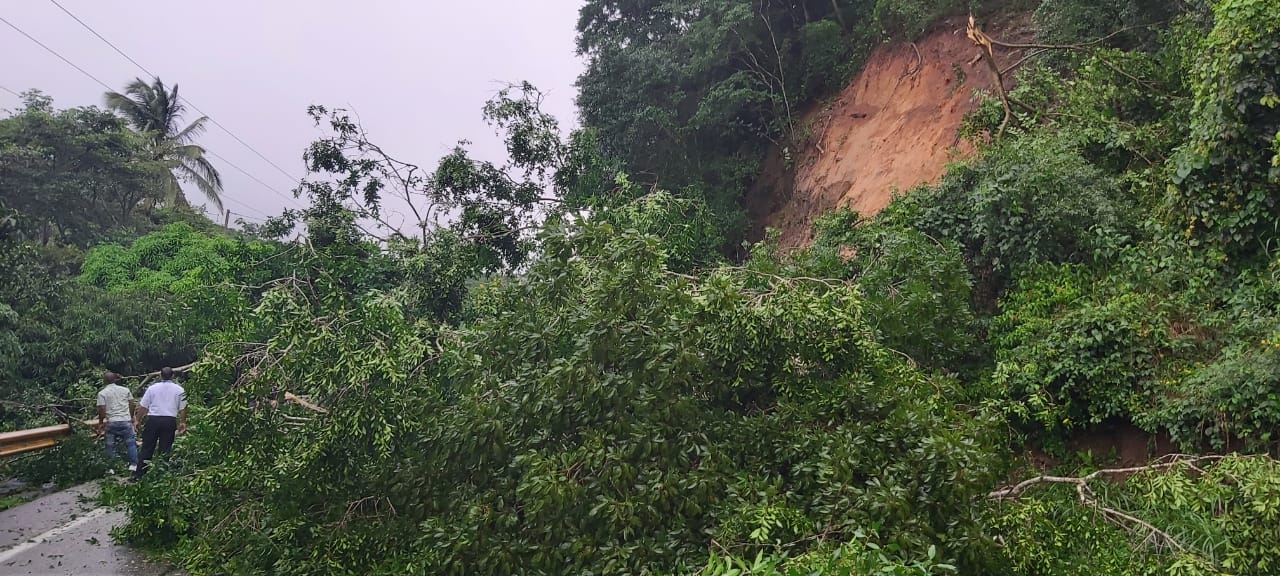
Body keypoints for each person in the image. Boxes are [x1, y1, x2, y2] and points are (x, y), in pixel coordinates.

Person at [132, 367, 187, 479]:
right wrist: (183, 422)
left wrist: (137, 419)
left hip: (153, 419)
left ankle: (139, 475)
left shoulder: (152, 388)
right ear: (173, 376)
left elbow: (143, 406)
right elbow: (183, 408)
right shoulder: (179, 390)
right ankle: (162, 475)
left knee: (147, 447)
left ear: (160, 376)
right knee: (165, 448)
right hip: (169, 420)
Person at [96, 372, 137, 472]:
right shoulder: (125, 390)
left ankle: (111, 468)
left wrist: (101, 422)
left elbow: (102, 409)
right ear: (115, 379)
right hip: (125, 420)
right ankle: (134, 465)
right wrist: (131, 417)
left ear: (105, 381)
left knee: (110, 445)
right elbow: (132, 404)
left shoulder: (102, 393)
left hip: (112, 422)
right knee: (131, 443)